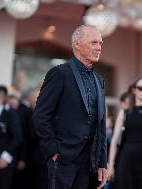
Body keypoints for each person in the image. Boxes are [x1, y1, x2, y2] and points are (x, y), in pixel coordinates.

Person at [33, 25, 107, 189]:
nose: (99, 47)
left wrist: (102, 162)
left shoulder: (99, 80)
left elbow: (100, 124)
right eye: (94, 43)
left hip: (88, 162)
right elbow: (40, 115)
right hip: (63, 157)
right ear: (77, 44)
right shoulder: (59, 73)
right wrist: (52, 150)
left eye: (100, 43)